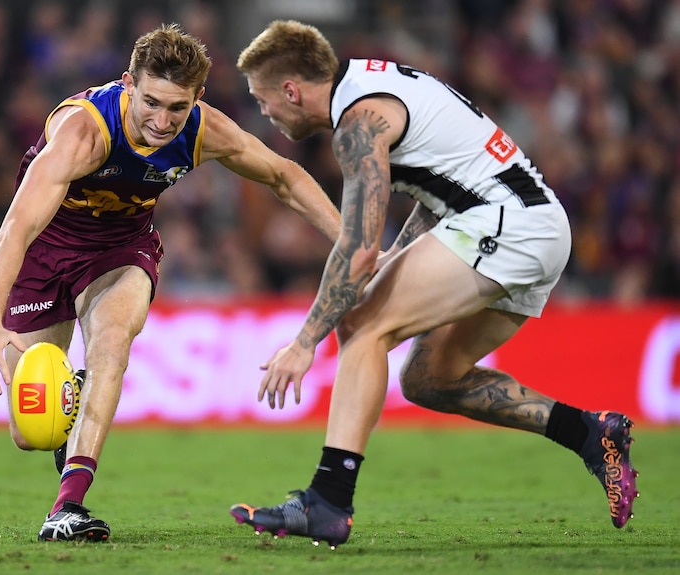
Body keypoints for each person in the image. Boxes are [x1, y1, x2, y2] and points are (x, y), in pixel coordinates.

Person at [228, 20, 639, 548]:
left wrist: (304, 342)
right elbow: (439, 182)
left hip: (507, 226)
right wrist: (402, 256)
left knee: (360, 323)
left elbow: (356, 250)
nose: (266, 114)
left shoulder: (359, 122)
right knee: (428, 379)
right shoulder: (377, 84)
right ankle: (588, 432)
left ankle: (328, 500)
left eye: (264, 101)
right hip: (535, 227)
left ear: (291, 90)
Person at [0, 23, 341, 542]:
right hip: (43, 251)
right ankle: (72, 399)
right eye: (151, 103)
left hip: (120, 250)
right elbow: (17, 229)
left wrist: (352, 243)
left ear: (198, 99)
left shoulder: (202, 129)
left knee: (111, 343)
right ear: (128, 84)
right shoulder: (84, 133)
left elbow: (285, 176)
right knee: (30, 432)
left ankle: (68, 506)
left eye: (177, 107)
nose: (162, 120)